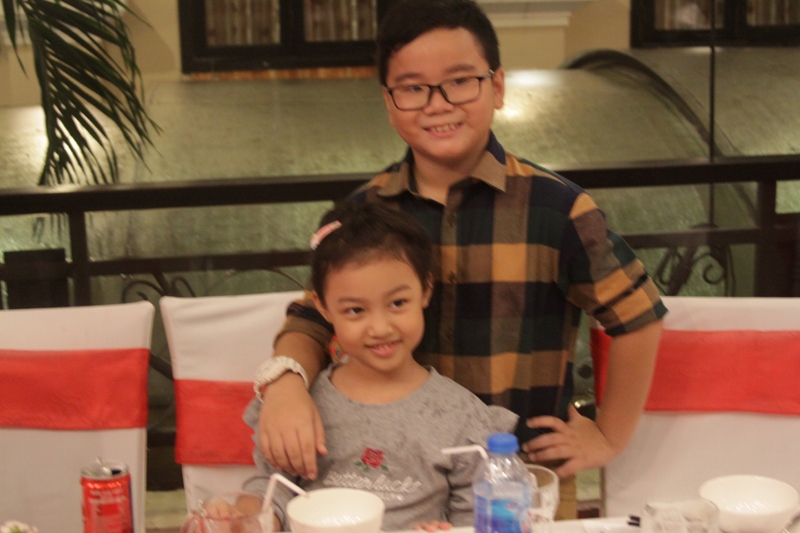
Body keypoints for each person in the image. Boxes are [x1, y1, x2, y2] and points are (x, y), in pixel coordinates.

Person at [254, 0, 666, 519]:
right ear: (388, 101)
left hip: (518, 482)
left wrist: (609, 435)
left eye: (460, 81)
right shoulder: (363, 212)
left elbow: (637, 316)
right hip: (396, 488)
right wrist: (284, 383)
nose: (438, 103)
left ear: (498, 86)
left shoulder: (557, 209)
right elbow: (312, 319)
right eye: (412, 88)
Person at [241, 201, 518, 531]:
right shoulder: (300, 407)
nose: (380, 328)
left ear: (426, 290)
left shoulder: (462, 416)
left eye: (398, 303)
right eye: (356, 310)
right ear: (323, 307)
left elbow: (477, 517)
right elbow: (271, 489)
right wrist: (244, 518)